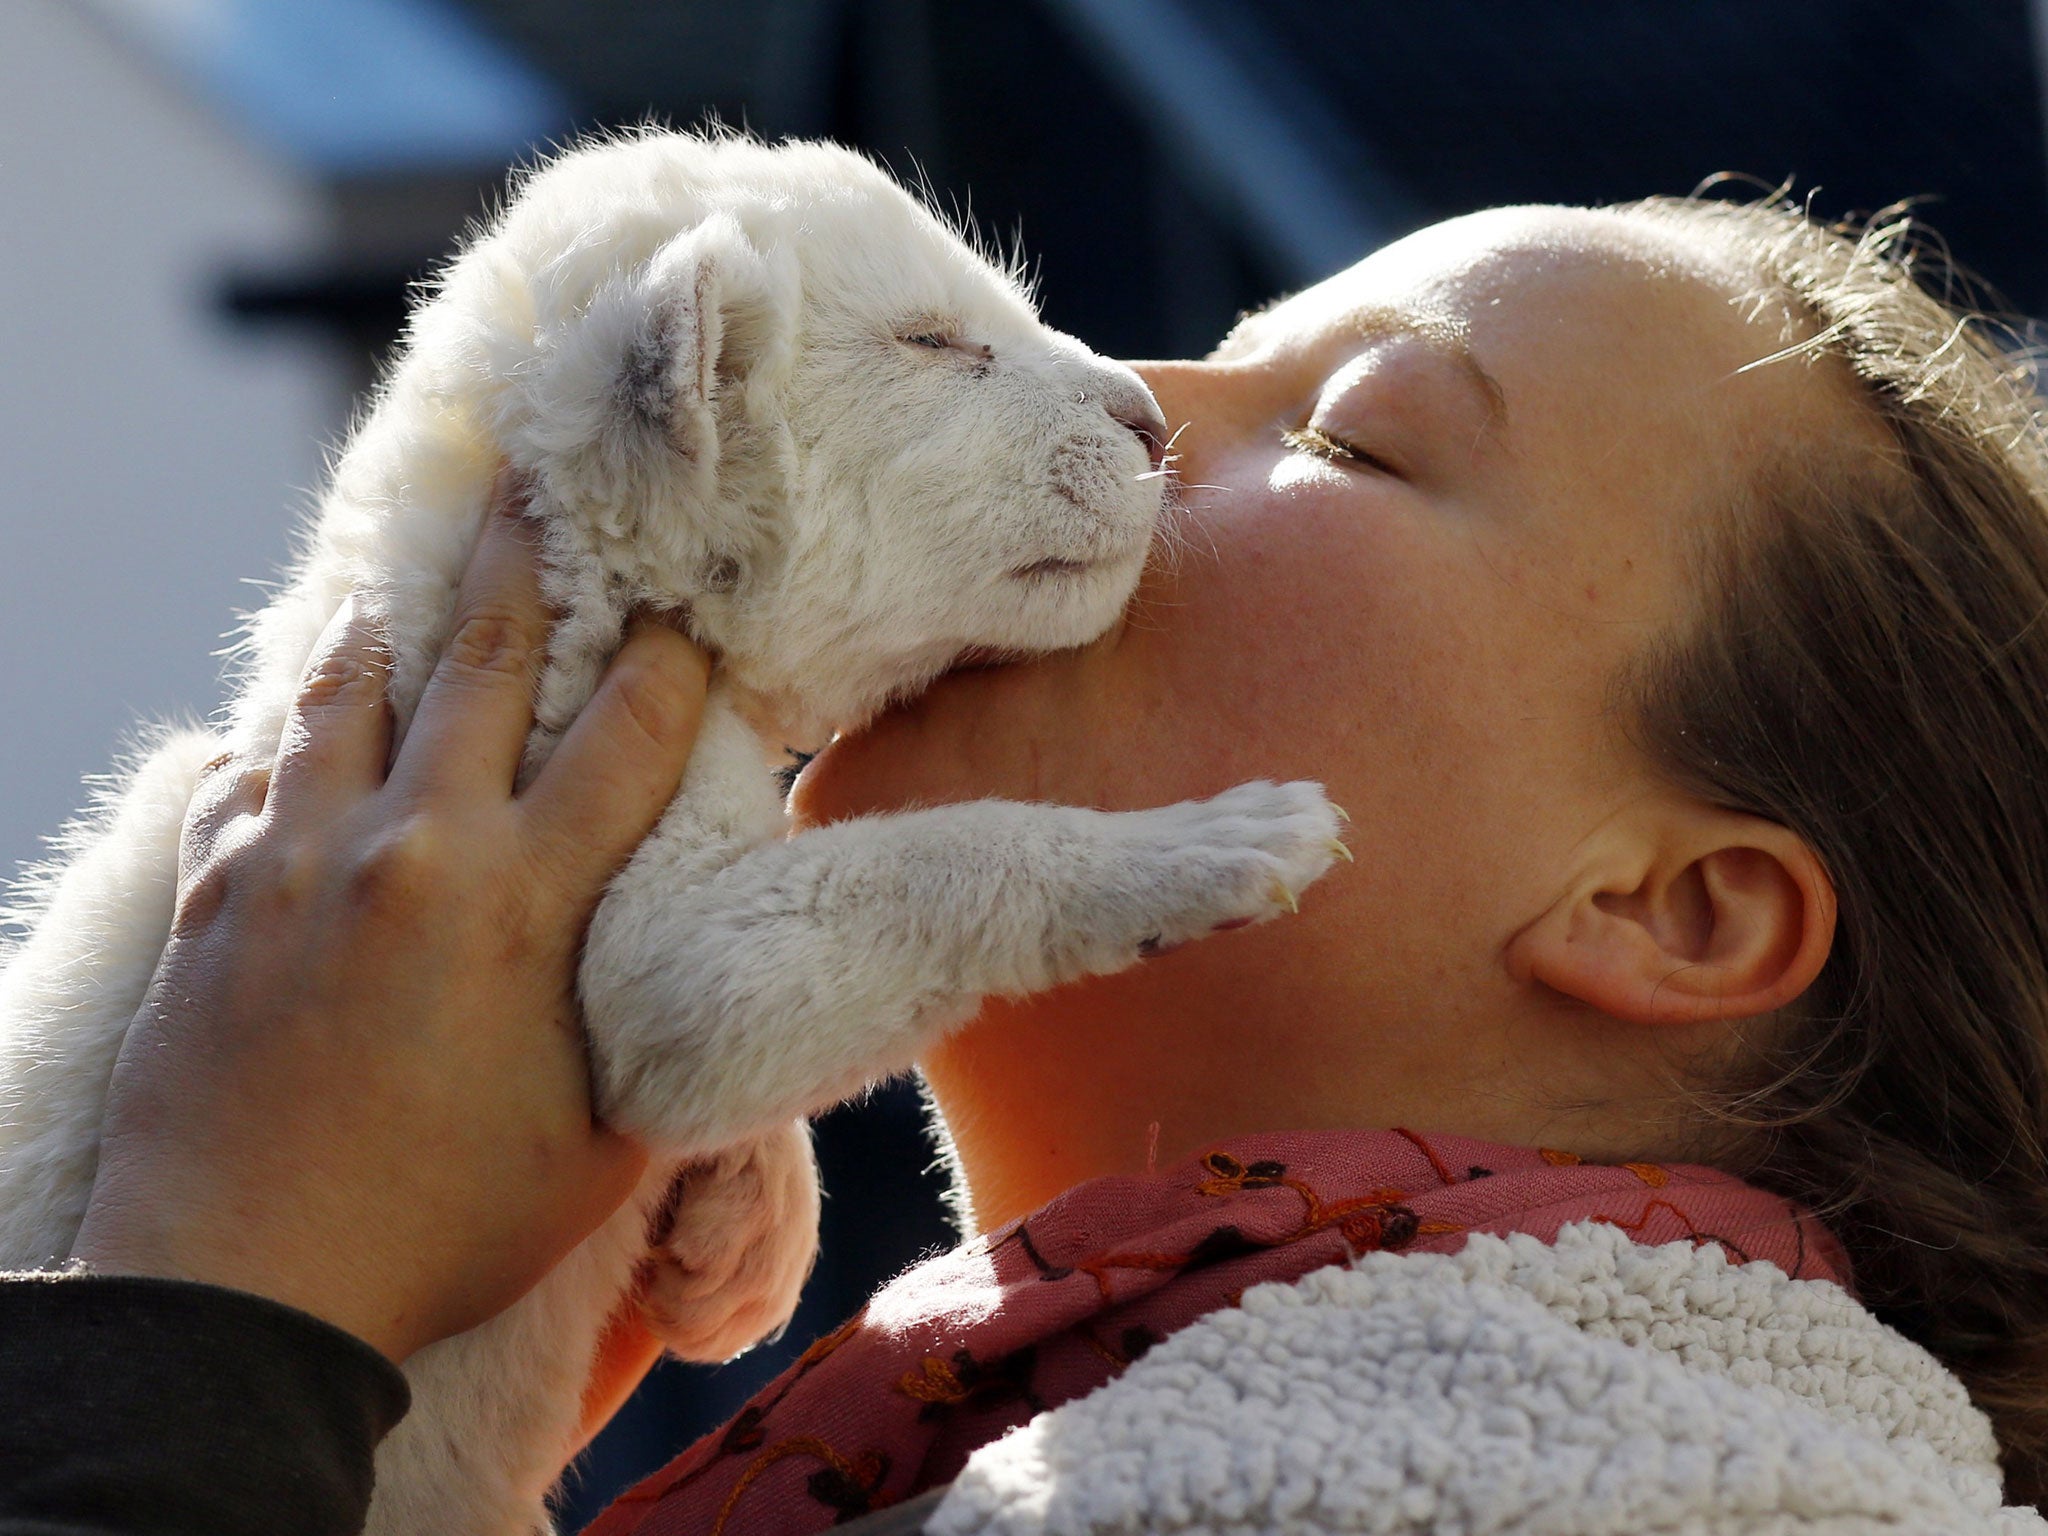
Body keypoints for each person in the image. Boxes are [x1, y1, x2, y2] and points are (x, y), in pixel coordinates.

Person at [7, 190, 2048, 1533]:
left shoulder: (1667, 1492)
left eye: (1345, 433)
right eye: (1210, 346)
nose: (1133, 400)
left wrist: (234, 1301)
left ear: (1666, 910)